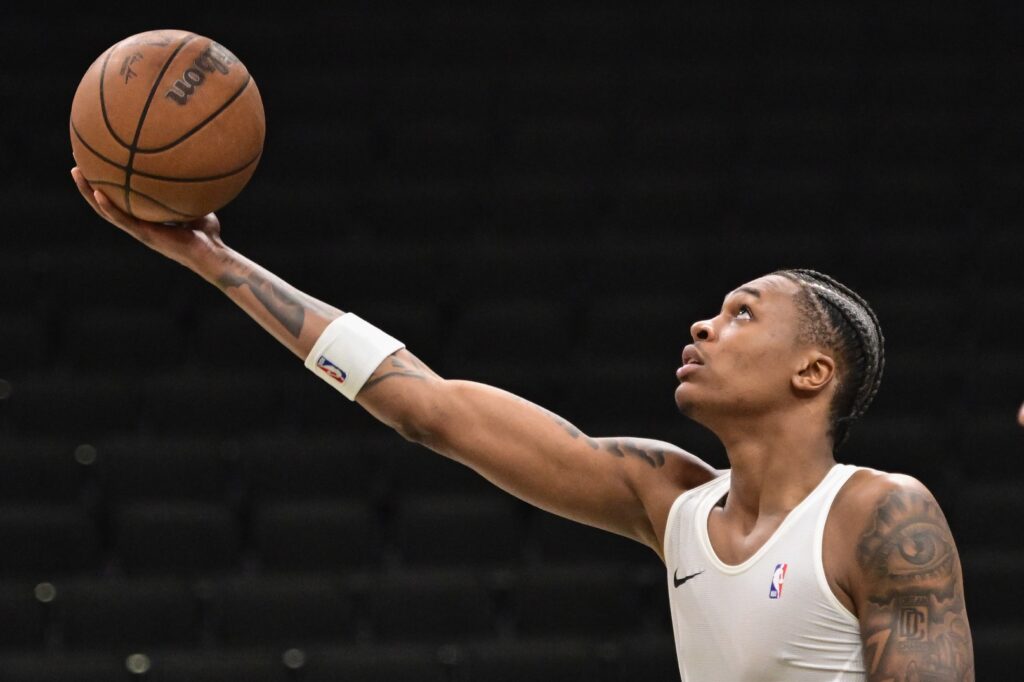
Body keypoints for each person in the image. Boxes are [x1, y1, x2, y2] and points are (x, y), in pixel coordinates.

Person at [70, 169, 975, 681]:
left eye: (742, 314)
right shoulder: (667, 497)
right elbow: (424, 406)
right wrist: (211, 259)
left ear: (813, 371)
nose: (703, 325)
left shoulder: (879, 514)